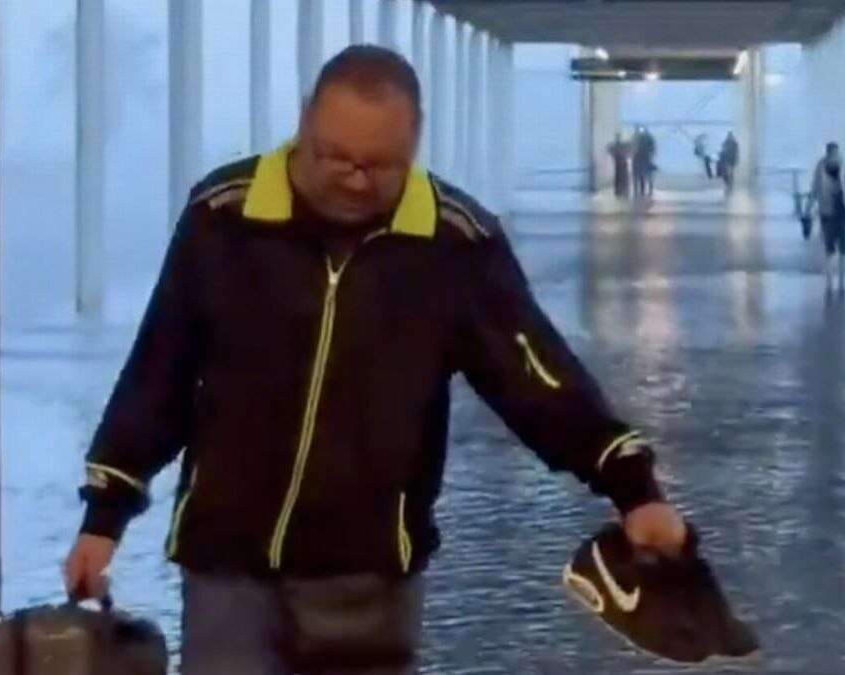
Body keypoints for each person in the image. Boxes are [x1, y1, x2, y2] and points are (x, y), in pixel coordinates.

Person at [62, 45, 687, 675]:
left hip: (369, 573)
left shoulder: (454, 242)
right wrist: (105, 513)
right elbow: (159, 369)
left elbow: (535, 378)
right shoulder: (224, 215)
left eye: (381, 166)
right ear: (305, 123)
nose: (356, 179)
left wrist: (632, 487)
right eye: (336, 157)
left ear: (414, 145)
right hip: (227, 562)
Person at [806, 142, 845, 288]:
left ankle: (841, 278)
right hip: (827, 211)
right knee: (829, 245)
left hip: (842, 211)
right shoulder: (821, 167)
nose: (834, 155)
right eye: (832, 152)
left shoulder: (844, 166)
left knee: (843, 244)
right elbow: (815, 188)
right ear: (828, 152)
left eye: (835, 152)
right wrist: (808, 208)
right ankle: (831, 278)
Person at [607, 132, 632, 198]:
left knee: (620, 177)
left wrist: (614, 155)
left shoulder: (618, 145)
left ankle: (621, 191)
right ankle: (622, 191)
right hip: (620, 163)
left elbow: (609, 149)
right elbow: (610, 149)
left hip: (620, 163)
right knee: (622, 177)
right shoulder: (620, 145)